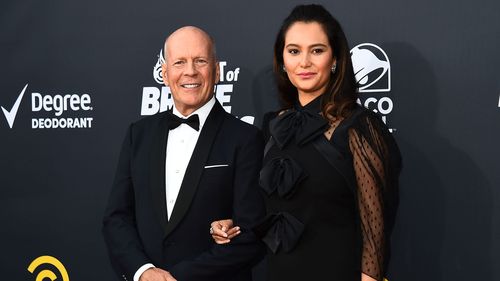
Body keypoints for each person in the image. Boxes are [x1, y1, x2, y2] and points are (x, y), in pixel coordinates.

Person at [210, 4, 401, 281]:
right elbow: (269, 209)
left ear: (335, 59)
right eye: (294, 51)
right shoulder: (273, 126)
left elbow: (376, 227)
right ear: (283, 60)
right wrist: (234, 225)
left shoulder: (359, 126)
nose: (304, 62)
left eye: (317, 50)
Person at [102, 26, 266, 281]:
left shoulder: (245, 138)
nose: (190, 71)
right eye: (179, 62)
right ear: (165, 74)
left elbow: (251, 234)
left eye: (200, 61)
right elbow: (117, 218)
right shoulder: (139, 134)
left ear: (217, 70)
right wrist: (144, 272)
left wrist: (177, 278)